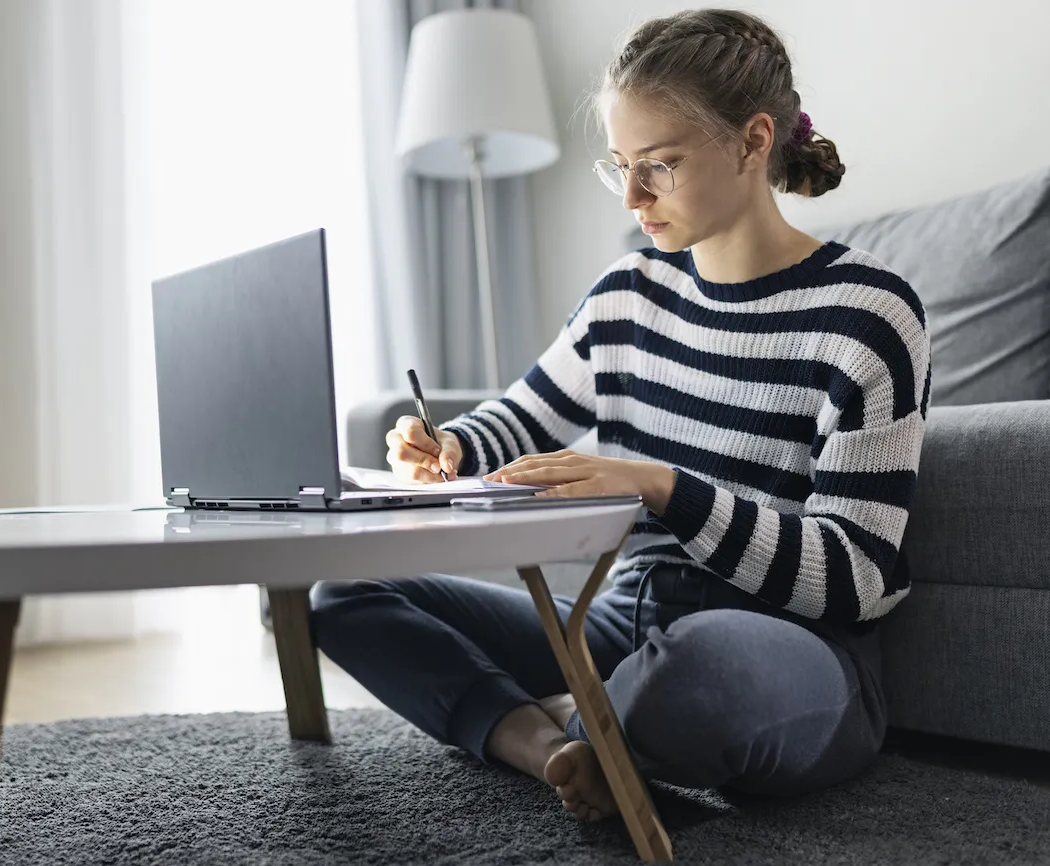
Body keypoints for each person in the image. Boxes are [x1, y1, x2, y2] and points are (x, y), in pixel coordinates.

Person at [309, 8, 931, 823]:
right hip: (619, 626)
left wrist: (663, 486)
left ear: (753, 142)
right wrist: (448, 446)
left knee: (696, 666)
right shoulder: (626, 297)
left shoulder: (868, 314)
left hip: (788, 651)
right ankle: (553, 746)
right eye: (620, 167)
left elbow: (854, 579)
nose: (634, 197)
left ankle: (593, 720)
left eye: (660, 166)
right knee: (339, 592)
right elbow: (521, 419)